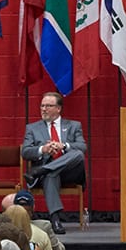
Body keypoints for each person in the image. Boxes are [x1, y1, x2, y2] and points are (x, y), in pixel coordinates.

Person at [21, 92, 86, 234]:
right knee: (51, 174)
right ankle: (55, 219)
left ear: (58, 109)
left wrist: (64, 146)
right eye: (42, 106)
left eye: (48, 106)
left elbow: (82, 147)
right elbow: (25, 151)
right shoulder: (32, 128)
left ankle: (42, 170)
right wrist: (42, 149)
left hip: (69, 172)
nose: (44, 109)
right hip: (49, 174)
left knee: (78, 154)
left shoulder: (74, 126)